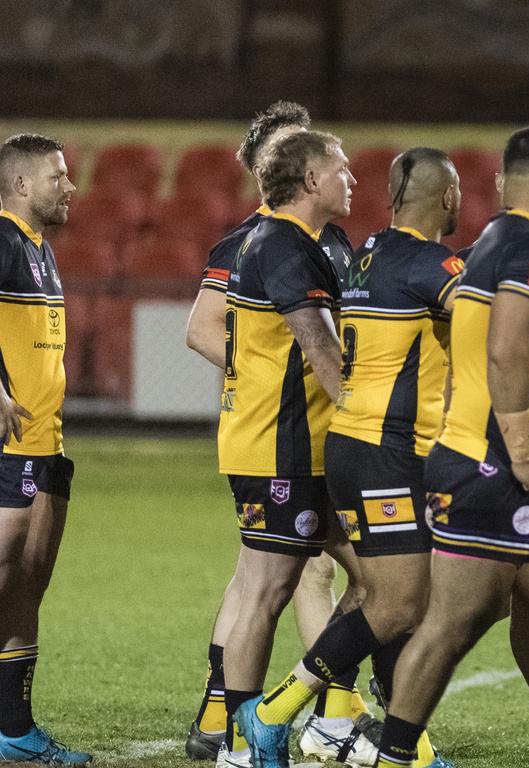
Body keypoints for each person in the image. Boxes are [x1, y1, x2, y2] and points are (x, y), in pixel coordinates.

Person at [347, 124, 529, 768]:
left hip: (509, 471)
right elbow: (508, 348)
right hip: (497, 467)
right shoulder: (528, 249)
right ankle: (393, 752)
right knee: (453, 626)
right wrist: (523, 447)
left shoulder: (499, 242)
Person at [237, 147, 464, 768]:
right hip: (384, 452)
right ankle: (271, 712)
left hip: (369, 449)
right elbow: (491, 311)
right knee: (398, 602)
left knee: (399, 597)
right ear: (447, 197)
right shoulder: (426, 264)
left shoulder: (367, 253)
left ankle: (400, 742)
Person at [184, 101, 371, 766]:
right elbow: (318, 352)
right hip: (280, 446)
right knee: (265, 588)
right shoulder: (270, 244)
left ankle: (308, 715)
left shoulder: (326, 242)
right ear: (297, 173)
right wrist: (374, 419)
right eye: (334, 164)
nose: (349, 175)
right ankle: (244, 731)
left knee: (384, 583)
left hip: (316, 446)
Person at [0, 134, 88, 765]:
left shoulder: (40, 251)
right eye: (59, 176)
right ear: (22, 185)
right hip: (9, 448)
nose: (70, 186)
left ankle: (14, 727)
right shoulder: (2, 239)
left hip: (44, 442)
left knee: (26, 588)